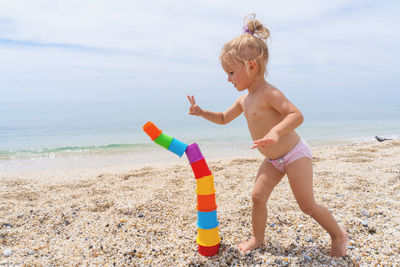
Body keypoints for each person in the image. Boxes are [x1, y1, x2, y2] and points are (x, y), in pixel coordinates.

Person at [187, 14, 348, 257]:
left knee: (307, 205)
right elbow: (222, 118)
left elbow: (296, 115)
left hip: (295, 154)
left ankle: (338, 235)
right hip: (273, 160)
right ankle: (257, 238)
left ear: (251, 66)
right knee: (257, 196)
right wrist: (202, 113)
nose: (228, 79)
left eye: (231, 72)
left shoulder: (270, 93)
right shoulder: (245, 99)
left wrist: (275, 132)